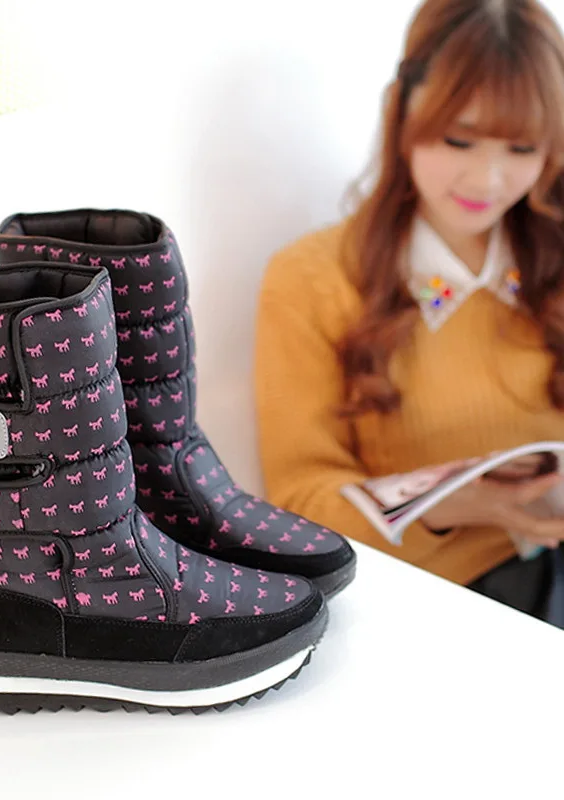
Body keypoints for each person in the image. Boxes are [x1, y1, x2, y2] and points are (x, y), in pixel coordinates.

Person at [254, 0, 564, 626]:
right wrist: (454, 508)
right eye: (459, 139)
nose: (489, 179)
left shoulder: (551, 254)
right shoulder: (313, 280)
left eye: (522, 147)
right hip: (443, 601)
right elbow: (299, 504)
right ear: (402, 111)